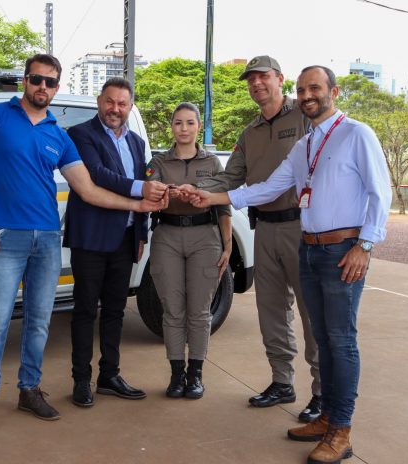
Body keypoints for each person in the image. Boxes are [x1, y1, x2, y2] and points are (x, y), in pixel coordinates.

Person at [186, 66, 391, 464]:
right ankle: (326, 416)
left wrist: (365, 246)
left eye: (314, 87)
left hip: (342, 249)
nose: (307, 94)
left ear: (334, 91)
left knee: (340, 341)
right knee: (326, 340)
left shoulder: (357, 134)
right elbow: (267, 188)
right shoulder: (306, 145)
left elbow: (379, 193)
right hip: (309, 249)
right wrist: (211, 197)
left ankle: (341, 431)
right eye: (302, 88)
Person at [0, 54, 166, 431]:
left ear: (57, 88)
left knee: (39, 322)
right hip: (4, 237)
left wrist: (138, 205)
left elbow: (88, 189)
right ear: (25, 81)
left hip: (47, 239)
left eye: (51, 82)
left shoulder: (58, 134)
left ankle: (29, 390)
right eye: (37, 79)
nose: (43, 87)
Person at [196, 55, 322, 421]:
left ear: (280, 79)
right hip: (264, 228)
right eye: (250, 80)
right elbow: (229, 178)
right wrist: (190, 188)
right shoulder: (249, 133)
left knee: (312, 312)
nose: (256, 84)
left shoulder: (304, 116)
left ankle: (322, 392)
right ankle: (282, 381)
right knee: (271, 309)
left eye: (263, 77)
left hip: (302, 228)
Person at [63, 78, 168, 407]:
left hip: (125, 239)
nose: (115, 109)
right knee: (84, 310)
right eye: (110, 102)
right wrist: (141, 189)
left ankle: (109, 375)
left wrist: (141, 233)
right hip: (91, 239)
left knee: (115, 311)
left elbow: (144, 191)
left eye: (122, 104)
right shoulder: (80, 135)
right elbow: (97, 175)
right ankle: (81, 380)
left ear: (130, 106)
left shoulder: (137, 142)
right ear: (99, 101)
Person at [146, 102, 232, 399]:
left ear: (198, 126)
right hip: (167, 235)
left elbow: (223, 205)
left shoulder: (213, 163)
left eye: (190, 123)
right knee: (172, 310)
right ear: (171, 126)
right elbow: (150, 197)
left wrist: (227, 245)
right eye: (178, 123)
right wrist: (169, 193)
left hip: (205, 237)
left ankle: (195, 374)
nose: (184, 128)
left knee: (199, 311)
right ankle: (176, 375)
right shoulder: (158, 162)